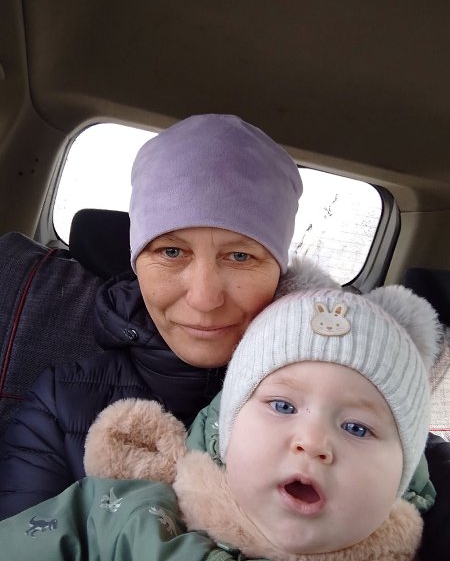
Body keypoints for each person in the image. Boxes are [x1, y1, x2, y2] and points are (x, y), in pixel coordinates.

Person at [0, 113, 306, 520]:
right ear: (136, 262)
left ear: (279, 271)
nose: (204, 299)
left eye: (239, 256)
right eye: (171, 252)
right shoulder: (61, 402)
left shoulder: (330, 403)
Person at [0, 284, 441, 560]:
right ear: (227, 432)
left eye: (358, 428)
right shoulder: (120, 518)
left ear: (402, 477)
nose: (312, 441)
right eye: (283, 406)